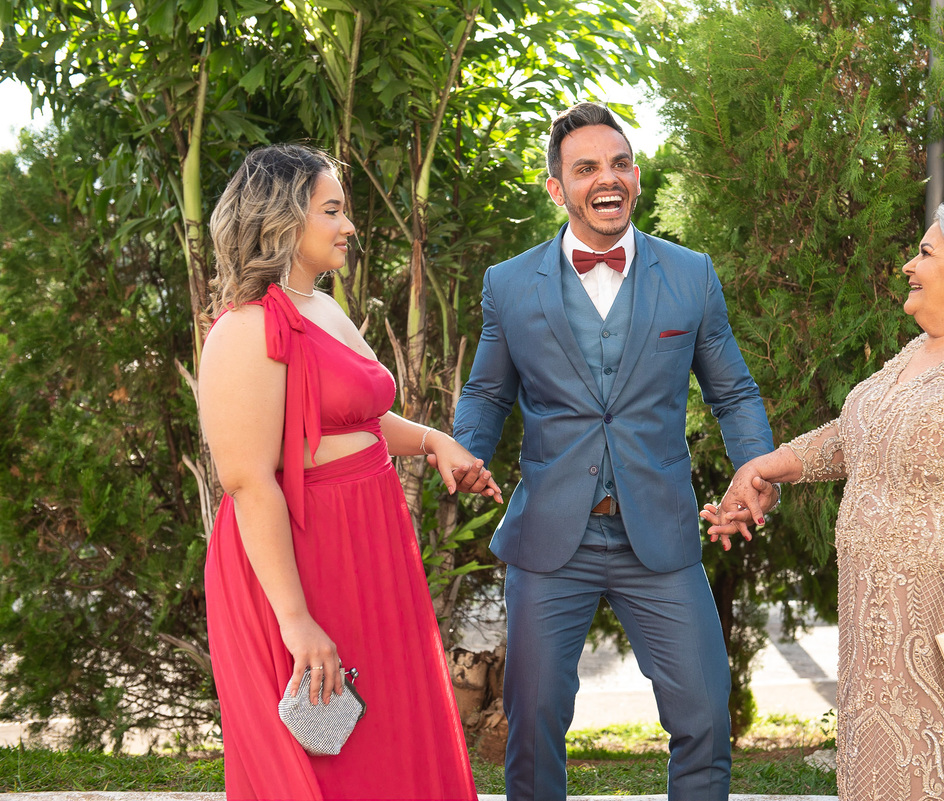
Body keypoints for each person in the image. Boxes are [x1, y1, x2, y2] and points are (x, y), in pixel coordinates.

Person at [452, 102, 776, 801]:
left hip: (657, 533)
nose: (609, 178)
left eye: (621, 162)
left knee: (704, 717)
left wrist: (756, 467)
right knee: (533, 726)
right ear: (556, 187)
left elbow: (734, 392)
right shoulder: (509, 285)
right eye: (587, 167)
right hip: (550, 536)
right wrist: (466, 449)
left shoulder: (690, 275)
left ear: (636, 175)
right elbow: (485, 393)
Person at [704, 201, 944, 801]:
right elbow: (861, 434)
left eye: (926, 253)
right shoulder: (917, 353)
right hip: (877, 640)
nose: (909, 265)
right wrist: (769, 466)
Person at [200, 144, 499, 800]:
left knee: (390, 736)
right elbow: (249, 481)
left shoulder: (322, 306)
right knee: (332, 755)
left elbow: (356, 415)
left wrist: (431, 442)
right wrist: (295, 618)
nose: (348, 225)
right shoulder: (245, 330)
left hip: (371, 548)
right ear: (282, 219)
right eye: (331, 210)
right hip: (301, 561)